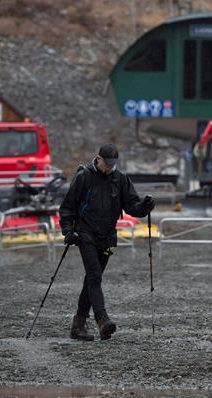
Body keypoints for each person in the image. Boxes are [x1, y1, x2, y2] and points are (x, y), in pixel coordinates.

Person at [59, 144, 155, 341]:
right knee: (94, 276)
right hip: (85, 234)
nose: (110, 167)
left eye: (113, 163)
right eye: (107, 163)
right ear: (98, 159)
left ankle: (78, 325)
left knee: (92, 279)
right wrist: (68, 230)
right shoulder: (84, 176)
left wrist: (144, 207)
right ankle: (102, 320)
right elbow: (67, 207)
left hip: (108, 236)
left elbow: (132, 206)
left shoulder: (120, 179)